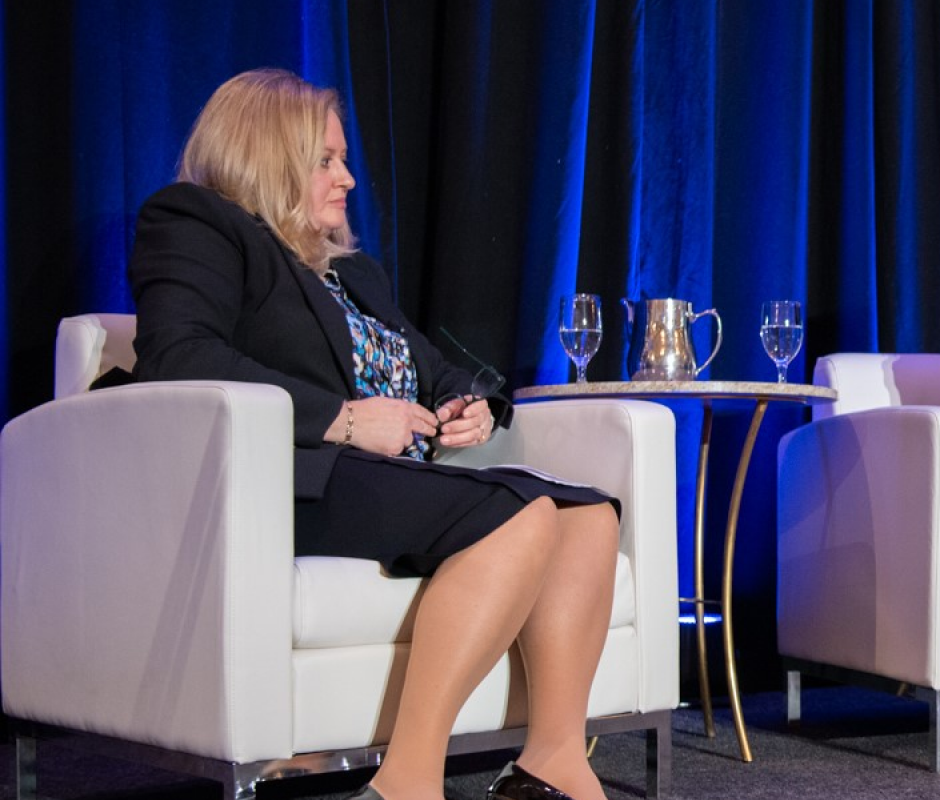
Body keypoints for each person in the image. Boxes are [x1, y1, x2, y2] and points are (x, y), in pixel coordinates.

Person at [127, 69, 619, 800]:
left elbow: (433, 363)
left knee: (591, 516)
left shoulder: (352, 274)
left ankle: (551, 761)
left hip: (384, 479)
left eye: (343, 158)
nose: (348, 178)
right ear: (268, 154)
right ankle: (406, 782)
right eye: (326, 159)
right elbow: (178, 356)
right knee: (523, 517)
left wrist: (468, 404)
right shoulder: (198, 222)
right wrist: (347, 419)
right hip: (288, 479)